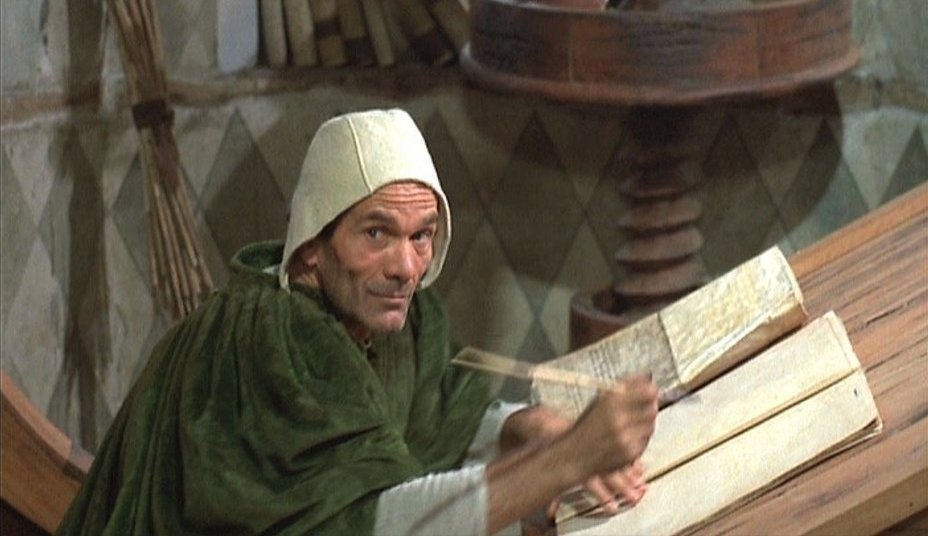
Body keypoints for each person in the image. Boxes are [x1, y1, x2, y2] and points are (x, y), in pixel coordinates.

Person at [57, 109, 658, 535]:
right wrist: (566, 458)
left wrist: (525, 428)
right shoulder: (275, 340)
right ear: (311, 248)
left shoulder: (399, 318)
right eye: (377, 233)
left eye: (422, 236)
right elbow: (370, 522)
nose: (406, 267)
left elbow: (440, 416)